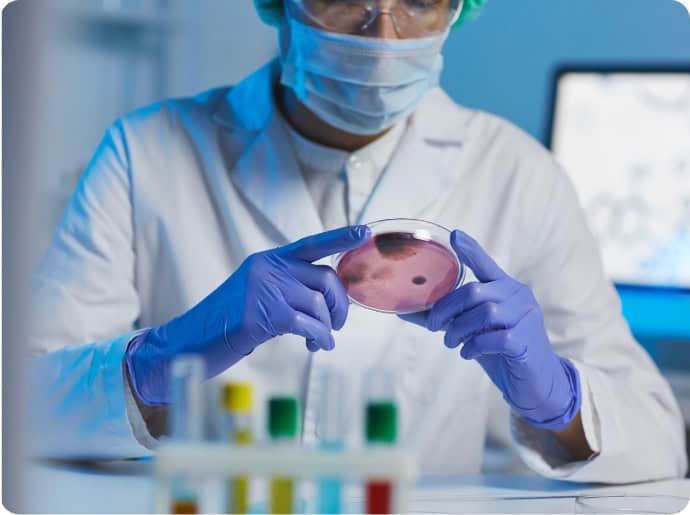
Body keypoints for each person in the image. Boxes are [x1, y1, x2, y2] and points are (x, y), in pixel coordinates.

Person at [29, 0, 686, 483]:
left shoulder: (517, 173)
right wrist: (160, 359)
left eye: (421, 1)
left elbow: (661, 442)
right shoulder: (144, 151)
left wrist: (560, 398)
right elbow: (24, 405)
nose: (384, 31)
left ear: (460, 11)